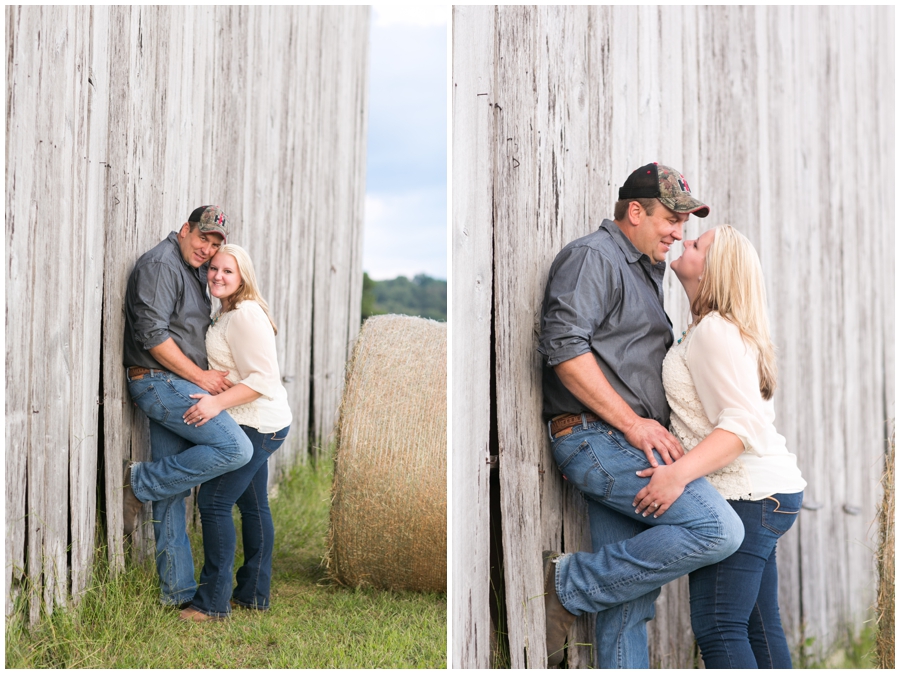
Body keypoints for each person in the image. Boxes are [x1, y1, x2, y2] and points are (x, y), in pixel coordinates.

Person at [538, 163, 744, 668]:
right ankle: (568, 583)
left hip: (623, 443)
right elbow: (564, 349)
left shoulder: (643, 271)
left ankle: (580, 588)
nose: (679, 232)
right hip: (596, 437)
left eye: (685, 224)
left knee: (629, 604)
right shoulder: (594, 257)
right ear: (635, 211)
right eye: (671, 219)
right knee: (719, 530)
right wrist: (633, 424)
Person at [633, 225, 806, 668]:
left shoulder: (714, 331)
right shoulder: (711, 329)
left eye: (697, 245)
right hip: (768, 493)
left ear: (714, 273)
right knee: (757, 625)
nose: (685, 241)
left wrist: (676, 474)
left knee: (719, 626)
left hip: (748, 495)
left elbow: (739, 428)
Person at [122, 206, 253, 608]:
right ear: (184, 230)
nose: (207, 249)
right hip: (161, 383)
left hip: (175, 383)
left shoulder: (194, 269)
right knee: (236, 449)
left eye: (215, 243)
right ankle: (142, 481)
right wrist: (201, 378)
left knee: (171, 492)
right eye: (202, 238)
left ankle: (176, 593)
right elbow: (152, 336)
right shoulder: (162, 265)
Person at [177, 244, 292, 622]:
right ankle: (254, 594)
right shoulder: (228, 313)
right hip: (256, 419)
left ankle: (211, 604)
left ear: (242, 277)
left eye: (228, 271)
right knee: (254, 504)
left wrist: (213, 404)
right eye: (214, 269)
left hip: (259, 422)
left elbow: (262, 379)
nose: (218, 276)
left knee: (213, 502)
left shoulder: (244, 315)